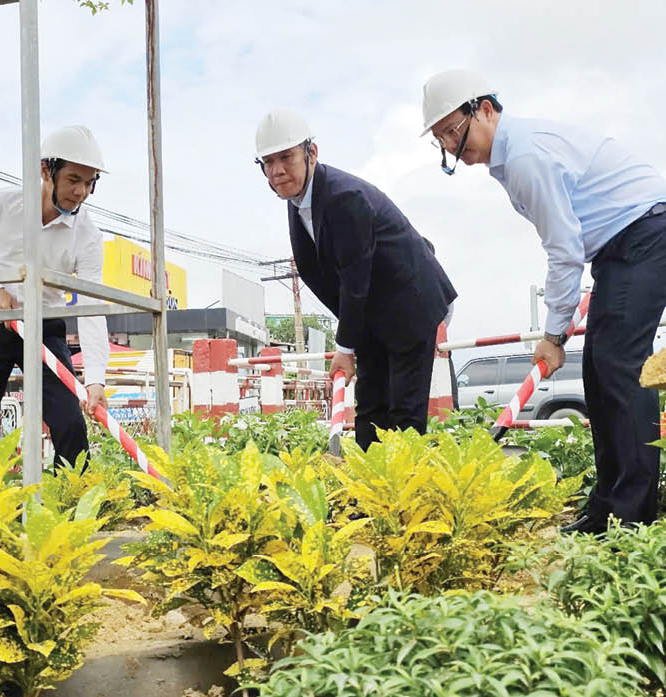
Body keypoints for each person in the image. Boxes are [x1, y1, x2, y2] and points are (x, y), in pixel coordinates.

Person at [420, 69, 666, 533]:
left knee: (618, 364)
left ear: (486, 109)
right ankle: (607, 505)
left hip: (645, 233)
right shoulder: (512, 155)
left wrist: (553, 336)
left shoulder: (526, 155)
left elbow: (564, 250)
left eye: (454, 131)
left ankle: (633, 516)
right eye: (441, 139)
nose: (452, 146)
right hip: (620, 247)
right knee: (598, 368)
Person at [254, 109, 457, 450]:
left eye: (286, 157)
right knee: (370, 411)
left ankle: (405, 499)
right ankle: (368, 496)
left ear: (311, 153)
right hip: (371, 313)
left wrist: (345, 347)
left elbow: (354, 276)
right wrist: (355, 337)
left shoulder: (343, 197)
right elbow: (326, 275)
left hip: (411, 304)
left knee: (404, 415)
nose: (276, 170)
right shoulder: (298, 201)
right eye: (267, 162)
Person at [0, 125, 109, 467]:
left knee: (71, 422)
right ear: (46, 171)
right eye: (73, 179)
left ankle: (69, 507)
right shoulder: (1, 204)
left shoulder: (88, 235)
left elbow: (90, 307)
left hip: (44, 327)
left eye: (90, 183)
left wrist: (97, 377)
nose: (81, 192)